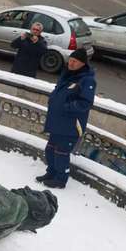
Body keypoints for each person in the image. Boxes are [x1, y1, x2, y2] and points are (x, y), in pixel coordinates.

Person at [39, 47, 96, 189]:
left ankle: (60, 179)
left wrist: (66, 107)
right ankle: (51, 172)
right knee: (50, 149)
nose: (71, 63)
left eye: (75, 61)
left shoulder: (87, 80)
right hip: (58, 121)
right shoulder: (67, 75)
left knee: (61, 152)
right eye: (70, 60)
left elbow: (85, 103)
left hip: (70, 125)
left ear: (83, 63)